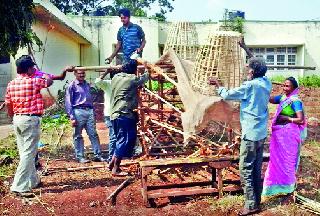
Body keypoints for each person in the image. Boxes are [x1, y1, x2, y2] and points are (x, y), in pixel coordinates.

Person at [208, 57, 272, 216]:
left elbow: (229, 94)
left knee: (245, 169)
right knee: (256, 168)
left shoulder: (250, 86)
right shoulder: (266, 83)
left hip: (250, 134)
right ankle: (256, 201)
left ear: (252, 71)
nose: (246, 71)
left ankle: (251, 205)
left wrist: (218, 85)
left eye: (248, 68)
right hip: (261, 133)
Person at [5, 55, 53, 198]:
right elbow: (49, 81)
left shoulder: (11, 83)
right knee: (29, 153)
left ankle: (33, 180)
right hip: (30, 119)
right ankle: (18, 186)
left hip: (17, 119)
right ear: (28, 69)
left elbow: (8, 103)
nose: (34, 69)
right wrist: (42, 73)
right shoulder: (34, 81)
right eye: (32, 67)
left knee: (25, 152)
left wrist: (12, 115)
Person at [262, 77, 307, 199]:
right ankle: (275, 187)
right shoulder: (282, 98)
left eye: (287, 86)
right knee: (276, 162)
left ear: (294, 88)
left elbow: (300, 119)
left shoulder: (295, 101)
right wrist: (263, 87)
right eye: (284, 85)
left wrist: (287, 119)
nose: (284, 88)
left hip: (289, 137)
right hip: (278, 136)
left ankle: (289, 189)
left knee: (287, 163)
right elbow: (270, 99)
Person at [108, 60, 149, 176]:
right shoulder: (131, 79)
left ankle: (111, 164)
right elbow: (145, 77)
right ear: (134, 70)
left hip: (115, 114)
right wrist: (146, 68)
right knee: (126, 139)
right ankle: (116, 169)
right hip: (124, 114)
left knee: (121, 139)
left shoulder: (116, 78)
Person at [65, 69, 106, 163]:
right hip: (78, 111)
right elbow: (68, 102)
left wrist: (93, 110)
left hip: (89, 111)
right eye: (79, 73)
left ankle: (98, 155)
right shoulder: (72, 86)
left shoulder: (87, 84)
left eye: (83, 73)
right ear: (75, 74)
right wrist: (72, 117)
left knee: (93, 134)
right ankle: (80, 156)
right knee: (78, 135)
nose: (81, 75)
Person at [95, 70, 117, 163]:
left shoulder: (123, 83)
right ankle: (111, 157)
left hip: (119, 113)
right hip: (110, 114)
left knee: (118, 135)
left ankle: (116, 155)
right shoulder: (108, 84)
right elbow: (97, 82)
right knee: (113, 136)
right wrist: (106, 72)